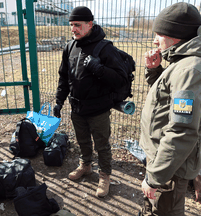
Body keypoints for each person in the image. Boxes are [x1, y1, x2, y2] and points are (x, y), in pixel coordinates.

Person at [53, 6, 128, 198]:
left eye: (77, 25)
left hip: (99, 109)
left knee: (102, 144)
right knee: (82, 140)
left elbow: (121, 79)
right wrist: (59, 101)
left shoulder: (105, 48)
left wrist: (99, 69)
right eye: (71, 25)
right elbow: (64, 77)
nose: (73, 29)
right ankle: (85, 165)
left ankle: (105, 175)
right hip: (77, 107)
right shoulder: (70, 46)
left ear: (90, 25)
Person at [139, 2, 201, 215]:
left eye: (159, 34)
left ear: (175, 37)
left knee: (164, 211)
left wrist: (155, 176)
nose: (155, 40)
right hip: (164, 159)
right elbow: (165, 102)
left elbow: (182, 131)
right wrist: (155, 71)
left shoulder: (188, 70)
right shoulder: (180, 63)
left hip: (171, 167)